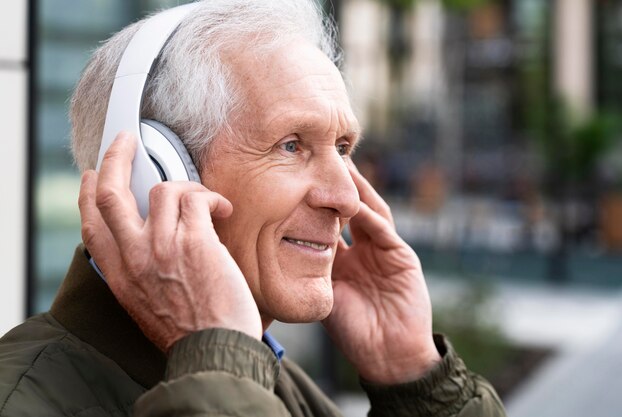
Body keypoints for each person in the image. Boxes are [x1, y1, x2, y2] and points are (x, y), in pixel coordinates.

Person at [0, 1, 506, 416]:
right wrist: (219, 369)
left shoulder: (271, 385)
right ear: (155, 175)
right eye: (292, 145)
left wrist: (415, 378)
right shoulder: (22, 399)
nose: (347, 197)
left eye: (345, 148)